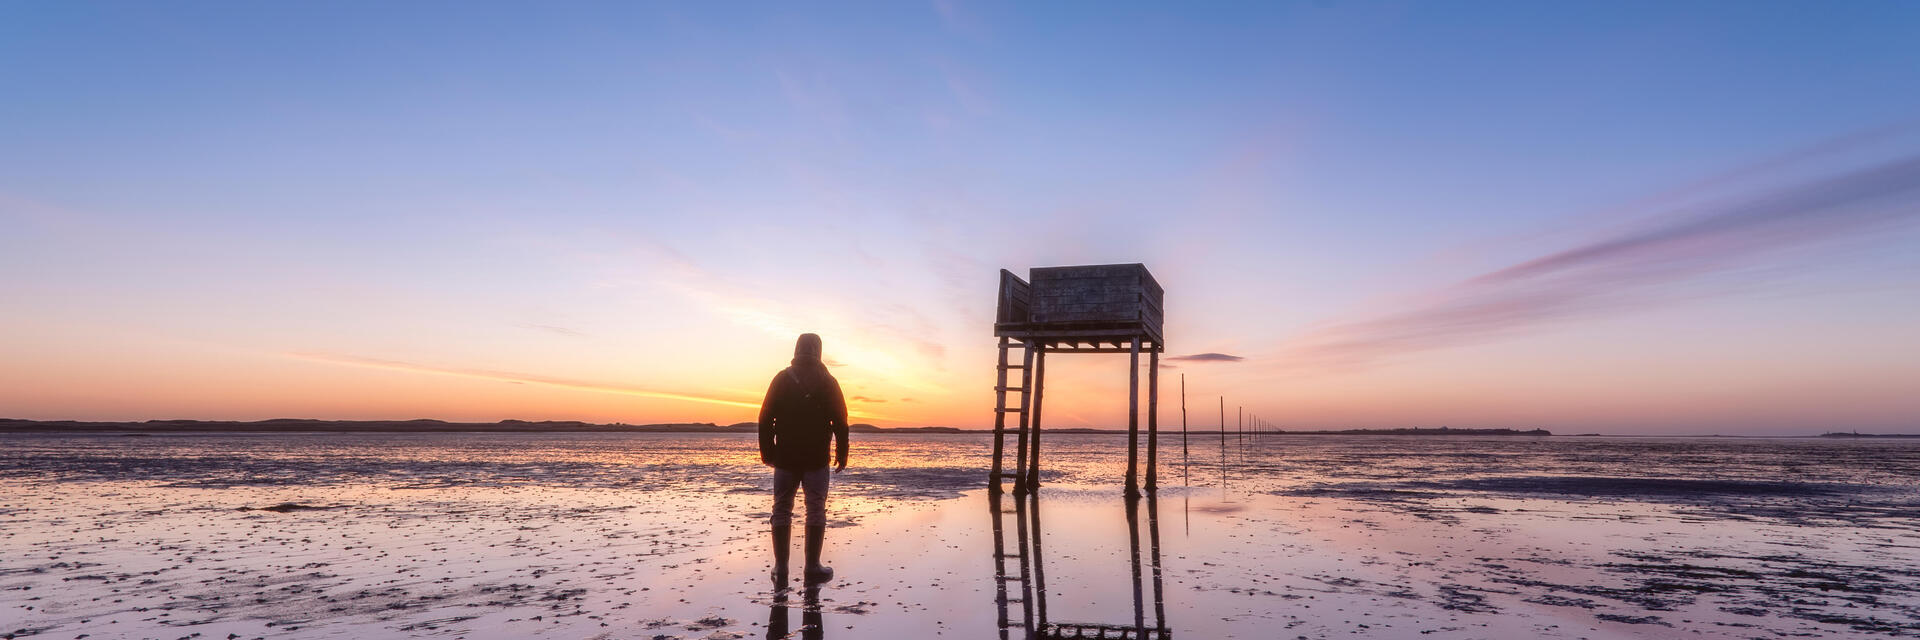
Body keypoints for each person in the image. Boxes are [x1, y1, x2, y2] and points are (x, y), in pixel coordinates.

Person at [758, 333, 849, 585]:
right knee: (816, 509)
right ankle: (811, 568)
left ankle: (780, 568)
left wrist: (768, 452)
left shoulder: (781, 379)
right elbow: (841, 422)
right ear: (818, 351)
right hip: (817, 457)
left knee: (781, 508)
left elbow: (765, 418)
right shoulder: (829, 381)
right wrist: (842, 453)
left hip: (785, 457)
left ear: (797, 349)